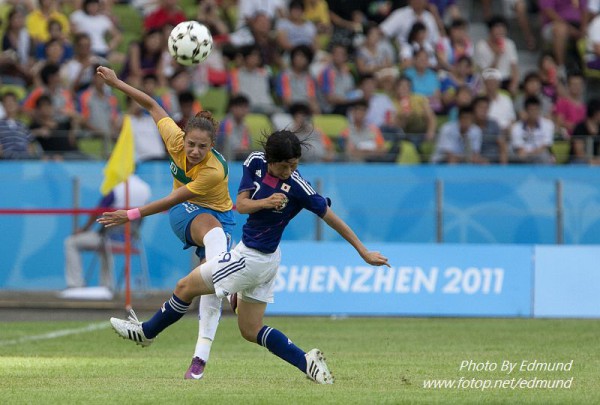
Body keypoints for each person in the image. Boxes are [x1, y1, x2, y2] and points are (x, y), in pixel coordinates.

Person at [104, 129, 390, 384]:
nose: (290, 171)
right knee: (250, 330)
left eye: (294, 165)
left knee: (184, 287)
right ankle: (307, 362)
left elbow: (331, 218)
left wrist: (363, 251)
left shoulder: (300, 188)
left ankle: (147, 332)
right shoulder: (254, 161)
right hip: (258, 257)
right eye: (284, 166)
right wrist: (265, 202)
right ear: (270, 159)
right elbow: (240, 206)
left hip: (253, 260)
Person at [95, 65, 236, 380]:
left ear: (212, 146)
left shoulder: (213, 170)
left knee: (204, 289)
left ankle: (193, 359)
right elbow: (152, 105)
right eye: (191, 144)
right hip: (185, 211)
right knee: (215, 251)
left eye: (203, 146)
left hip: (220, 218)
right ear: (183, 137)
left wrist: (130, 213)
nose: (195, 151)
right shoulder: (175, 140)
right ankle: (228, 279)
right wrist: (118, 83)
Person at [62, 174, 151, 294]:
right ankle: (106, 286)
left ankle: (75, 285)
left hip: (108, 239)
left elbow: (98, 211)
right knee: (105, 243)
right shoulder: (145, 188)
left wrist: (84, 229)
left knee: (71, 242)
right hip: (131, 240)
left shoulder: (116, 188)